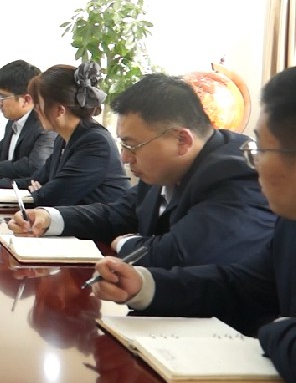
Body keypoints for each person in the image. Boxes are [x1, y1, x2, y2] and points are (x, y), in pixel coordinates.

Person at [90, 66, 296, 380]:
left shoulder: (230, 173)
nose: (254, 164)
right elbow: (240, 286)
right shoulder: (289, 223)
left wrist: (275, 329)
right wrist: (144, 286)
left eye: (261, 150)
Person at [7, 73, 274, 268]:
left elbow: (181, 253)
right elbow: (117, 214)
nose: (124, 158)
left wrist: (125, 243)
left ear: (182, 140)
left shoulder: (235, 172)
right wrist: (50, 218)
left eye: (132, 146)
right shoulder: (163, 169)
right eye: (123, 144)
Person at [0, 62, 129, 206]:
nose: (36, 110)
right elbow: (35, 180)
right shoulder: (63, 138)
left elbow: (53, 196)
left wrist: (41, 191)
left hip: (99, 232)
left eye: (39, 104)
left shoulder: (95, 142)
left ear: (59, 110)